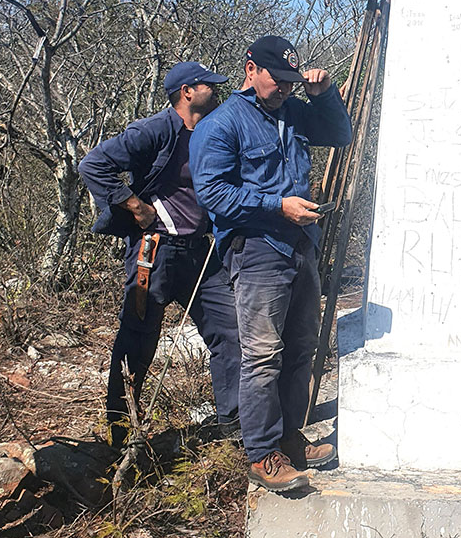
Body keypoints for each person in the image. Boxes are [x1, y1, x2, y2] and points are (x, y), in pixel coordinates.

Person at [190, 36, 352, 493]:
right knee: (262, 355)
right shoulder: (221, 125)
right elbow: (214, 194)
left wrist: (324, 96)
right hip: (257, 248)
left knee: (301, 346)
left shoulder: (294, 111)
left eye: (291, 82)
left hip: (300, 243)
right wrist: (277, 206)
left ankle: (290, 438)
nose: (284, 89)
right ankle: (262, 455)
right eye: (277, 80)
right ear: (250, 70)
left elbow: (339, 135)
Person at [78, 61, 241, 448]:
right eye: (207, 85)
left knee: (230, 330)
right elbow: (93, 164)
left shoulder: (213, 130)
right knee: (138, 337)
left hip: (201, 253)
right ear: (186, 92)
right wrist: (133, 205)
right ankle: (122, 436)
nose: (216, 91)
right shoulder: (155, 129)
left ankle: (234, 426)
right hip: (156, 250)